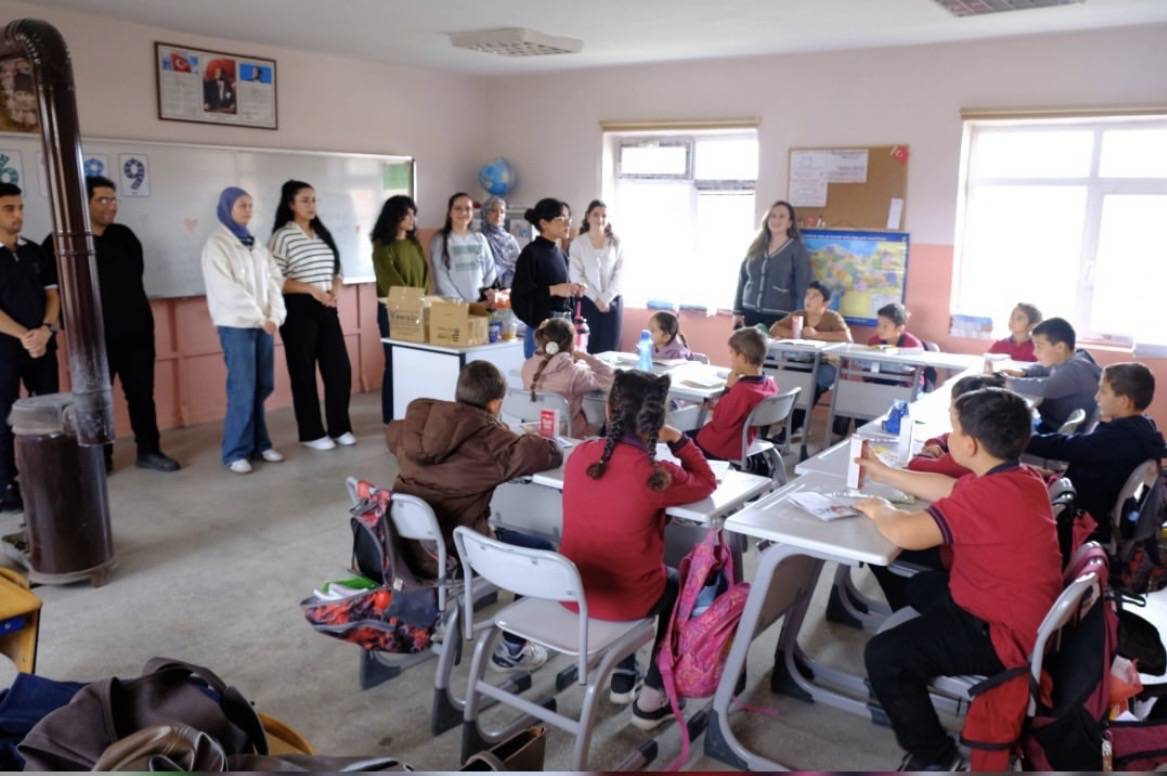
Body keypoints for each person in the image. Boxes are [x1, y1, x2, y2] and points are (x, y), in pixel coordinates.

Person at [856, 387, 1061, 771]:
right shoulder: (1020, 477)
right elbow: (948, 487)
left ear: (969, 444)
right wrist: (883, 472)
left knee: (884, 655)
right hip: (1013, 609)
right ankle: (918, 665)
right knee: (919, 586)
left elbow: (905, 533)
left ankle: (935, 756)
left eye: (953, 429)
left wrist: (880, 509)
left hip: (1002, 634)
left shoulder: (987, 496)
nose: (948, 436)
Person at [559, 369, 716, 726]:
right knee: (681, 583)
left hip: (572, 592)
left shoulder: (581, 455)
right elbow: (706, 481)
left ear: (609, 410)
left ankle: (623, 674)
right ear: (658, 419)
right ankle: (652, 696)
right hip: (626, 600)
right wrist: (678, 439)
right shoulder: (657, 473)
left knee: (621, 561)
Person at [386, 360, 562, 671]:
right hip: (453, 556)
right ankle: (513, 651)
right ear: (495, 404)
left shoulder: (413, 429)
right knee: (542, 553)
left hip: (402, 547)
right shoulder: (492, 445)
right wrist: (506, 433)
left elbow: (393, 436)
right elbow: (549, 454)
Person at [42, 176, 179, 473]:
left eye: (113, 199)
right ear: (83, 204)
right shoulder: (60, 242)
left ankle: (149, 450)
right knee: (95, 400)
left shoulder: (124, 236)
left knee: (142, 395)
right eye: (102, 200)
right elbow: (54, 292)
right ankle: (100, 458)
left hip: (136, 333)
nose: (111, 206)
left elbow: (134, 279)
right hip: (92, 339)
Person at [1026, 362, 1166, 540]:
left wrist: (1023, 439)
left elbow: (1067, 447)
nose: (1097, 397)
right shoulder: (1143, 427)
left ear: (1124, 401)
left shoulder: (1115, 438)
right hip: (1101, 502)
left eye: (1103, 391)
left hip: (1085, 516)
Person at [202, 187, 286, 474]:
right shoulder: (217, 244)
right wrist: (259, 317)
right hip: (237, 325)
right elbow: (225, 289)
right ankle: (235, 451)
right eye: (241, 205)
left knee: (262, 386)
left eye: (250, 205)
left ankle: (260, 445)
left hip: (264, 325)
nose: (248, 211)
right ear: (227, 209)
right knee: (243, 388)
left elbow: (274, 280)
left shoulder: (256, 243)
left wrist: (274, 316)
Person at [268, 180, 353, 452]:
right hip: (298, 309)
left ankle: (340, 427)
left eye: (314, 200)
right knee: (303, 372)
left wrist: (335, 288)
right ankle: (311, 433)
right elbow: (275, 279)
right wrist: (311, 290)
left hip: (326, 307)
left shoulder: (322, 233)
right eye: (305, 200)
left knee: (339, 369)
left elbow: (338, 269)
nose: (311, 205)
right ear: (291, 204)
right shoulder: (283, 236)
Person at [0, 183, 59, 512]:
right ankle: (6, 485)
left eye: (20, 207)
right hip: (5, 351)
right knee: (3, 418)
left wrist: (46, 330)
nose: (18, 214)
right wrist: (25, 335)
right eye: (9, 208)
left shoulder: (34, 251)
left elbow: (53, 295)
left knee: (48, 413)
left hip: (42, 347)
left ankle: (49, 474)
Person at [371, 195, 427, 424]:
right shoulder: (382, 247)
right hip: (393, 312)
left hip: (419, 309)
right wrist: (413, 302)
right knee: (395, 363)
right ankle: (390, 417)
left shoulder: (414, 244)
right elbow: (391, 284)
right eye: (408, 214)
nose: (412, 219)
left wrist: (422, 301)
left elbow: (425, 276)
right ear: (395, 216)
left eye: (414, 214)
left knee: (415, 364)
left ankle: (411, 414)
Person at [769, 281, 853, 430]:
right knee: (784, 380)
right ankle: (770, 426)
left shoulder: (833, 317)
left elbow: (847, 338)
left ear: (826, 302)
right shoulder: (798, 315)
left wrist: (817, 335)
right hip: (802, 362)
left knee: (812, 385)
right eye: (807, 295)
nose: (809, 299)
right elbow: (774, 329)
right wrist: (798, 334)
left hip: (827, 364)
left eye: (815, 296)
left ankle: (793, 427)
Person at [510, 198, 584, 358]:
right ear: (544, 223)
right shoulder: (530, 253)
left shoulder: (560, 253)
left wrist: (573, 290)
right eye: (561, 219)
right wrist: (554, 290)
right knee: (540, 373)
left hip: (563, 329)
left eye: (569, 219)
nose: (567, 223)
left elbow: (562, 293)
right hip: (542, 332)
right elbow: (521, 297)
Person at [1000, 316, 1101, 433]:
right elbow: (1045, 368)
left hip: (1055, 433)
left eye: (1039, 346)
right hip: (1054, 425)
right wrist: (1025, 372)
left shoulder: (1075, 370)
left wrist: (1005, 382)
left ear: (1060, 347)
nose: (1034, 352)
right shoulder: (1074, 357)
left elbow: (1046, 387)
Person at [521, 317, 615, 438]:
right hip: (568, 435)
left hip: (534, 432)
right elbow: (610, 376)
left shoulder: (527, 366)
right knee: (601, 423)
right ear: (570, 343)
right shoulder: (574, 375)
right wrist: (585, 357)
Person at [695, 328, 778, 461]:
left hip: (721, 445)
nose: (731, 358)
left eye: (732, 353)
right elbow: (738, 412)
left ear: (743, 358)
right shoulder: (770, 384)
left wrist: (728, 388)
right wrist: (717, 405)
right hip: (746, 439)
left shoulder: (742, 391)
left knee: (677, 440)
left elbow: (719, 421)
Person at [732, 200, 811, 330]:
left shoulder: (797, 249)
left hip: (779, 316)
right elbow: (742, 280)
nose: (776, 220)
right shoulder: (755, 246)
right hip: (749, 312)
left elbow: (802, 286)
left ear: (790, 223)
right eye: (772, 216)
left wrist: (799, 317)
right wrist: (737, 311)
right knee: (747, 344)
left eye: (781, 216)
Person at [568, 199, 624, 354]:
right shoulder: (578, 243)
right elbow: (576, 275)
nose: (600, 219)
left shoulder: (615, 242)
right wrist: (595, 298)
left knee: (610, 349)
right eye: (596, 214)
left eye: (604, 216)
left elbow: (620, 273)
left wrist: (605, 298)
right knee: (587, 348)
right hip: (587, 302)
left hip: (612, 302)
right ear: (588, 217)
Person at [430, 192, 497, 302]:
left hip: (480, 304)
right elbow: (441, 277)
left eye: (468, 209)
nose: (463, 213)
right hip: (453, 305)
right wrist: (460, 302)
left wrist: (484, 296)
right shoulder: (440, 240)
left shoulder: (480, 238)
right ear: (449, 212)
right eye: (458, 208)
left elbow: (490, 270)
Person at [479, 196, 520, 289]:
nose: (498, 215)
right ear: (485, 213)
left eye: (502, 212)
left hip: (511, 289)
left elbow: (520, 265)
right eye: (493, 211)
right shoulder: (479, 238)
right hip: (487, 289)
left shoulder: (510, 239)